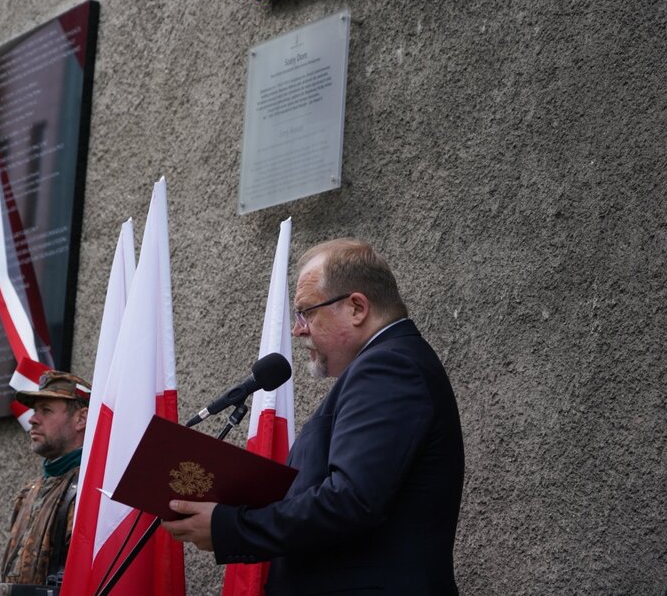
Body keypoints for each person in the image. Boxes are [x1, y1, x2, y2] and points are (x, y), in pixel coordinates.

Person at [164, 238, 465, 595]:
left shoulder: (389, 366)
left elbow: (350, 500)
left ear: (357, 308)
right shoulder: (387, 366)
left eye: (307, 311)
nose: (297, 329)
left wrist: (231, 527)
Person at [0, 371, 91, 593]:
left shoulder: (92, 490)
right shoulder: (28, 492)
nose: (32, 419)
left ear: (81, 419)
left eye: (46, 410)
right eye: (34, 410)